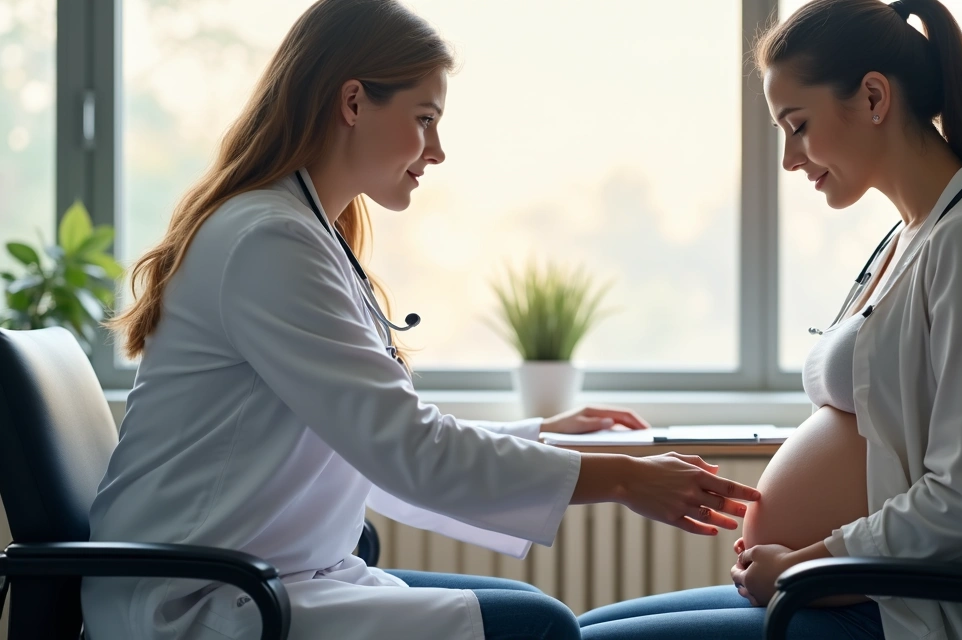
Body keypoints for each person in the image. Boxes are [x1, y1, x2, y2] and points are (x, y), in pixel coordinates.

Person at [80, 1, 760, 639]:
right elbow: (403, 451)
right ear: (353, 101)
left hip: (264, 575)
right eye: (425, 118)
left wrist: (545, 434)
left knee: (531, 615)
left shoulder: (300, 232)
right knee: (540, 627)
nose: (436, 151)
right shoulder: (269, 242)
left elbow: (375, 444)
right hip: (201, 599)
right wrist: (622, 477)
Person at [578, 0, 962, 638]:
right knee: (580, 627)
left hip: (913, 612)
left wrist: (806, 566)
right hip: (858, 592)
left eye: (798, 124)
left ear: (873, 98)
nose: (789, 158)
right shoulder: (913, 236)